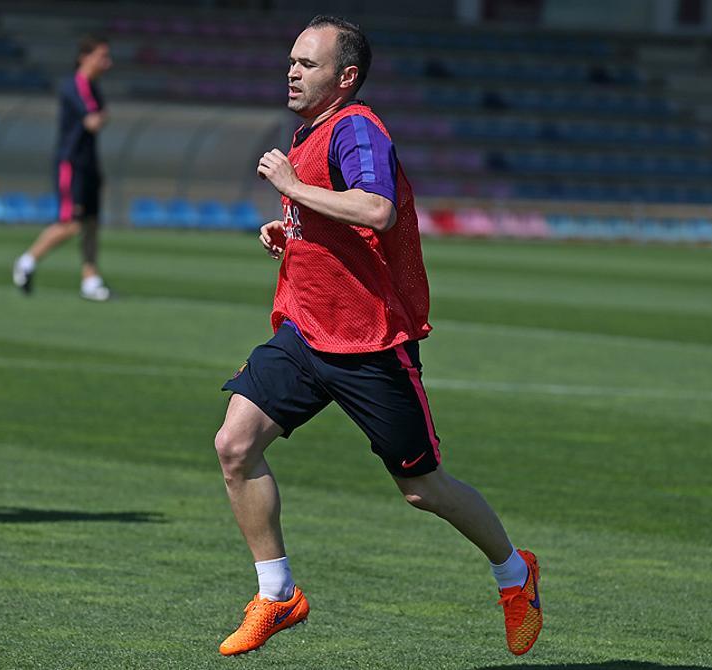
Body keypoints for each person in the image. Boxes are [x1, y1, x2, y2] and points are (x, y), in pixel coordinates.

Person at [213, 15, 542, 657]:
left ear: (346, 77)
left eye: (308, 63)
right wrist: (290, 231)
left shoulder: (357, 127)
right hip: (307, 333)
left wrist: (291, 187)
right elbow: (336, 224)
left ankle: (514, 573)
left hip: (369, 344)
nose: (292, 71)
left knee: (424, 489)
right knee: (235, 445)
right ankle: (277, 595)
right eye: (292, 60)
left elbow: (376, 208)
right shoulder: (311, 134)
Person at [12, 34, 113, 301]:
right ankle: (26, 261)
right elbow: (93, 121)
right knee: (71, 224)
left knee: (91, 223)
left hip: (89, 163)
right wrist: (100, 118)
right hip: (73, 163)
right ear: (85, 57)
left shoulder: (94, 86)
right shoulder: (76, 86)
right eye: (102, 56)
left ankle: (90, 280)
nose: (108, 63)